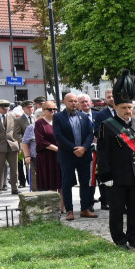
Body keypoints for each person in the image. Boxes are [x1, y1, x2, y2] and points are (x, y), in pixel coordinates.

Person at [97, 76, 135, 250]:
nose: (128, 111)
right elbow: (103, 153)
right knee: (117, 210)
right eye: (124, 108)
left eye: (130, 107)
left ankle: (134, 236)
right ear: (115, 107)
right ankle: (119, 239)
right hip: (117, 176)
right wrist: (106, 175)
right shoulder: (107, 125)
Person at [53, 92, 97, 221]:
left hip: (84, 155)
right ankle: (69, 210)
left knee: (85, 183)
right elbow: (58, 136)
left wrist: (84, 147)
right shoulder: (58, 117)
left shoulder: (83, 116)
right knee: (67, 183)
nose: (73, 103)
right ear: (64, 102)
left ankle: (84, 209)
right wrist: (74, 149)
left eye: (75, 101)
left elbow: (90, 134)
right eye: (70, 101)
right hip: (68, 156)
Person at [92, 89, 117, 210]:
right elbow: (97, 131)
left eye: (113, 96)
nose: (111, 99)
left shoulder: (124, 111)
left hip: (123, 151)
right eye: (108, 97)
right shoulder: (101, 114)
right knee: (105, 175)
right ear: (105, 99)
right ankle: (105, 200)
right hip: (107, 150)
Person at [35, 101, 63, 210]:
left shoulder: (58, 121)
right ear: (44, 111)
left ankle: (62, 208)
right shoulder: (39, 123)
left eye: (55, 109)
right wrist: (57, 149)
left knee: (61, 183)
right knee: (49, 183)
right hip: (46, 157)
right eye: (50, 109)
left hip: (59, 156)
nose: (53, 111)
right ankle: (51, 209)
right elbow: (41, 141)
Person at [13, 101, 36, 187]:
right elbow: (15, 134)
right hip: (24, 146)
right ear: (23, 109)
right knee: (22, 164)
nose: (31, 109)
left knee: (31, 166)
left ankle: (31, 182)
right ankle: (22, 182)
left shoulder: (36, 118)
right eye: (28, 107)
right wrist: (25, 141)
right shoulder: (19, 120)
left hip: (35, 146)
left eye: (32, 107)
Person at [21, 108, 42, 192]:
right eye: (43, 115)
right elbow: (25, 142)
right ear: (38, 117)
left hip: (49, 157)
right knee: (35, 178)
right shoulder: (31, 127)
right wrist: (27, 156)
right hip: (35, 157)